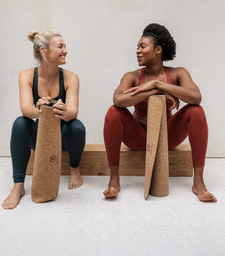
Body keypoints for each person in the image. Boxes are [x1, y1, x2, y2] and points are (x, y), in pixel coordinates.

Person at [103, 23, 217, 202]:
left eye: (142, 47)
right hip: (138, 137)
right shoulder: (132, 76)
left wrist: (158, 84)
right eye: (137, 48)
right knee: (113, 112)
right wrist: (156, 92)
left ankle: (198, 182)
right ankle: (114, 179)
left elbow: (196, 97)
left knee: (196, 111)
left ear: (157, 50)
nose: (137, 51)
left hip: (166, 138)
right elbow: (118, 100)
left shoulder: (178, 73)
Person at [2, 30, 86, 210]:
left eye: (65, 46)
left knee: (77, 127)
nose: (65, 50)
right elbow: (25, 109)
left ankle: (74, 168)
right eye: (60, 46)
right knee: (19, 123)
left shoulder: (71, 77)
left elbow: (73, 111)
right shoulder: (26, 75)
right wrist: (39, 111)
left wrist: (63, 112)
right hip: (40, 140)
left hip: (62, 138)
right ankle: (18, 186)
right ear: (44, 51)